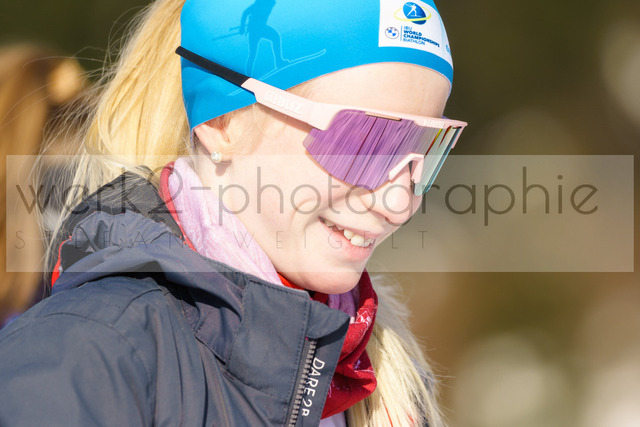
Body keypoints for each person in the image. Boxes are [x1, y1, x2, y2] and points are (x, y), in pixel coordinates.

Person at [0, 0, 466, 425]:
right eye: (364, 141)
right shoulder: (88, 358)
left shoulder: (381, 386)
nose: (398, 203)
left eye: (428, 148)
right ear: (223, 120)